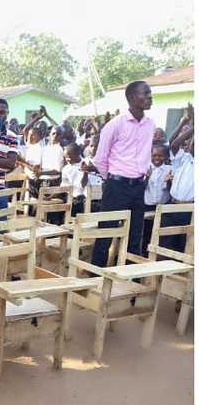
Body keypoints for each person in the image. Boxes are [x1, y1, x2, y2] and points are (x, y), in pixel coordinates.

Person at [86, 81, 156, 266]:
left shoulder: (150, 124)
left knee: (135, 236)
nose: (150, 97)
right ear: (133, 97)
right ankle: (95, 279)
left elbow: (146, 153)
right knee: (106, 234)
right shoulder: (115, 124)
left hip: (139, 186)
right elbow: (100, 158)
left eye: (150, 93)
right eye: (146, 93)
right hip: (116, 186)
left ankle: (131, 285)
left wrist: (143, 172)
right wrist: (111, 180)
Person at [142, 144, 173, 253]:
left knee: (159, 234)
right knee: (146, 233)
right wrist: (147, 177)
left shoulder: (169, 169)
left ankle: (156, 255)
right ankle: (144, 254)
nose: (157, 158)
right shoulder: (146, 168)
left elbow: (170, 190)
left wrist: (169, 182)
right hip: (147, 206)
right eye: (154, 155)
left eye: (160, 156)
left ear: (166, 157)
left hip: (163, 206)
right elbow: (141, 188)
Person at [61, 143, 89, 217]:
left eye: (69, 156)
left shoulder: (87, 164)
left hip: (86, 200)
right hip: (72, 199)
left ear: (77, 154)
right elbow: (63, 187)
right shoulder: (66, 169)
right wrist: (51, 196)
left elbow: (82, 185)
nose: (67, 159)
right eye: (65, 157)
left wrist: (86, 172)